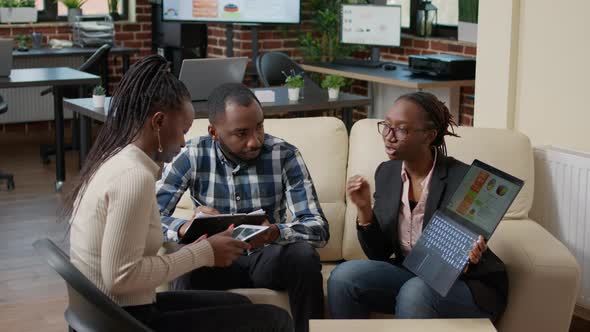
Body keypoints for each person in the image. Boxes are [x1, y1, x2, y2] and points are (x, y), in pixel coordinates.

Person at [66, 55, 293, 332]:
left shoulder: (117, 159)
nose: (185, 141)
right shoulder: (133, 177)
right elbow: (120, 278)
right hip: (124, 321)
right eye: (183, 130)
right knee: (276, 321)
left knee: (242, 304)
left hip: (117, 311)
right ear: (159, 122)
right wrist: (204, 252)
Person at [156, 82, 329, 332]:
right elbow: (152, 217)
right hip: (213, 257)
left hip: (267, 257)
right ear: (214, 132)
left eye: (259, 127)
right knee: (185, 262)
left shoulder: (285, 155)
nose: (255, 141)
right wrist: (184, 227)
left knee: (303, 256)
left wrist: (277, 232)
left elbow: (318, 228)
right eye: (242, 133)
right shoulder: (192, 153)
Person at [328, 92, 508, 322]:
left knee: (415, 291)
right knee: (344, 277)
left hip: (466, 285)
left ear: (429, 136)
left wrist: (471, 256)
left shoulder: (465, 179)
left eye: (401, 129)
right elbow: (379, 254)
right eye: (386, 125)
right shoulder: (387, 173)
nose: (389, 136)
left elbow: (466, 254)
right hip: (413, 273)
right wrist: (364, 210)